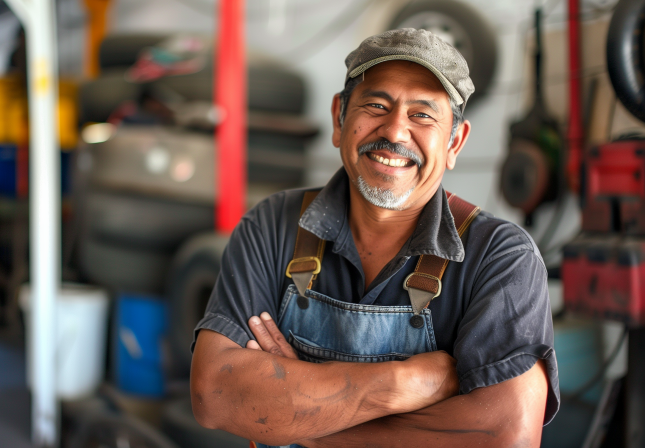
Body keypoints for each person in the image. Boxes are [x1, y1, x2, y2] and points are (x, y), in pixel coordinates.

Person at [190, 28, 559, 448]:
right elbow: (214, 395)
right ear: (339, 118)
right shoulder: (273, 226)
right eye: (376, 104)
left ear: (455, 141)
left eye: (422, 114)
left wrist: (296, 418)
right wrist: (400, 384)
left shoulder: (501, 257)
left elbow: (504, 436)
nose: (396, 131)